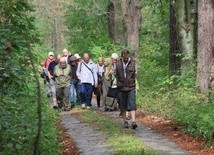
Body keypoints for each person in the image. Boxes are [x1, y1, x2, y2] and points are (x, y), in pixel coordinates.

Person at [115, 49, 137, 129]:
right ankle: (125, 121)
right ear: (122, 56)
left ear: (128, 55)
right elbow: (115, 74)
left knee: (132, 103)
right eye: (124, 55)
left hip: (131, 87)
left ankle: (133, 121)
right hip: (121, 88)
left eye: (127, 55)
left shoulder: (133, 63)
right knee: (122, 105)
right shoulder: (117, 64)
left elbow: (136, 74)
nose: (125, 57)